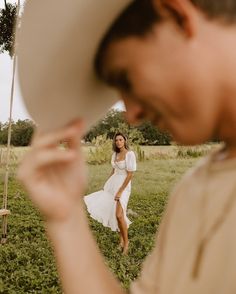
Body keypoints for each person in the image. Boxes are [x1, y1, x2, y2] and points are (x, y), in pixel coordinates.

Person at [17, 0, 236, 293]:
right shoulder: (191, 190)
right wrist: (65, 217)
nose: (131, 114)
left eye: (126, 78)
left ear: (175, 16)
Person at [84, 133, 136, 254]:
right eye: (116, 140)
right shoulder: (115, 154)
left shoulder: (129, 154)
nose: (118, 142)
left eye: (120, 139)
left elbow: (130, 175)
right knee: (115, 214)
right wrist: (107, 184)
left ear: (124, 141)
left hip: (123, 185)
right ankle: (121, 241)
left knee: (119, 214)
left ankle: (127, 243)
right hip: (113, 184)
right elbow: (113, 171)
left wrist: (120, 191)